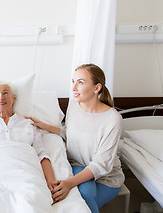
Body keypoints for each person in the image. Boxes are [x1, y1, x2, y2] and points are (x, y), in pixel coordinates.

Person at [27, 64, 124, 213]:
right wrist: (45, 126)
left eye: (80, 82)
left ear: (96, 88)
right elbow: (71, 133)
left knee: (84, 198)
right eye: (73, 81)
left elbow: (101, 164)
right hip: (79, 165)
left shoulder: (112, 119)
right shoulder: (74, 105)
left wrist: (69, 183)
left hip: (107, 178)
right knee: (85, 194)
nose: (73, 88)